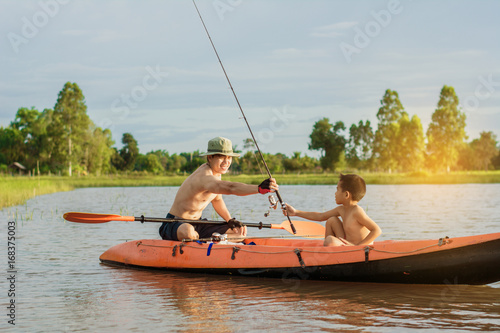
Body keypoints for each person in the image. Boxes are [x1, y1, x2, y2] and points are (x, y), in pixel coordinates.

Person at [159, 136, 278, 241]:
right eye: (222, 157)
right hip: (175, 223)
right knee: (188, 232)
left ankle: (205, 243)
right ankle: (200, 242)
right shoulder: (204, 176)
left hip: (198, 223)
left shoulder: (217, 173)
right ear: (210, 157)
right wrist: (258, 189)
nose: (226, 162)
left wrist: (229, 219)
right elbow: (230, 187)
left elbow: (217, 200)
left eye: (229, 157)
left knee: (239, 233)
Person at [283, 173, 381, 246]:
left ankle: (329, 248)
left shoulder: (357, 211)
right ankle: (329, 254)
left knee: (330, 240)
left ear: (346, 194)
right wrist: (296, 212)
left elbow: (377, 230)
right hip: (347, 244)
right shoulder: (341, 209)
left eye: (337, 189)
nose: (335, 193)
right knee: (331, 220)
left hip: (358, 248)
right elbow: (320, 216)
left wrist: (358, 247)